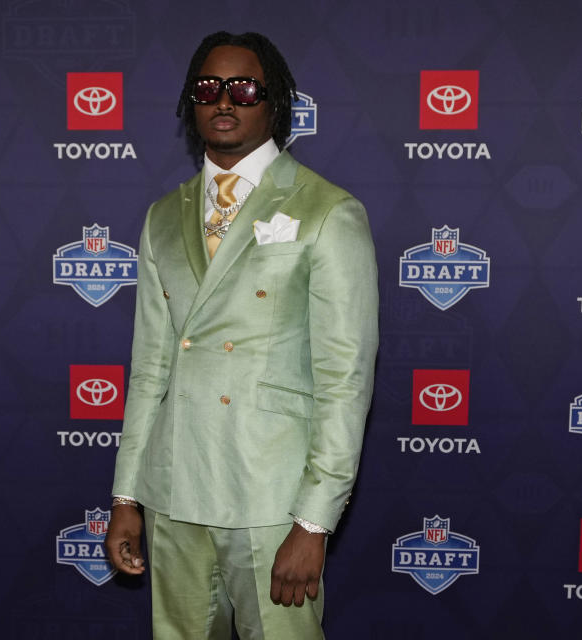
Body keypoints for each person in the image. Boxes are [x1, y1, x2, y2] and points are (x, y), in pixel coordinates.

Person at [106, 30, 378, 639]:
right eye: (208, 87)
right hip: (173, 489)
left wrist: (314, 522)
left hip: (271, 500)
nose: (224, 100)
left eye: (244, 87)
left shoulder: (328, 211)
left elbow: (345, 379)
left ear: (274, 102)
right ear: (190, 103)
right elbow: (150, 367)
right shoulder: (161, 217)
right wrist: (127, 497)